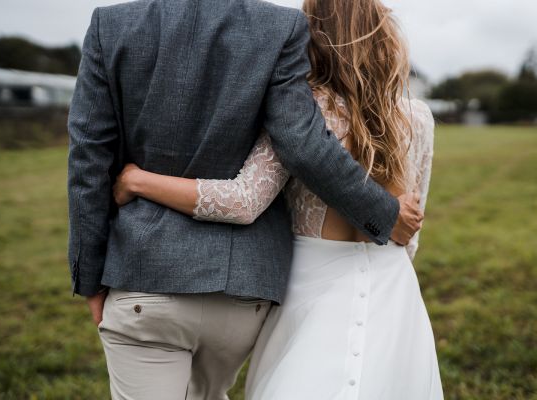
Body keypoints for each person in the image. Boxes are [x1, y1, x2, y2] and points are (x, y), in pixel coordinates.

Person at [67, 0, 423, 398]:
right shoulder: (280, 26)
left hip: (144, 279)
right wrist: (385, 214)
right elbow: (303, 144)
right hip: (241, 292)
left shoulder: (110, 24)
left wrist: (91, 280)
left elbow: (88, 158)